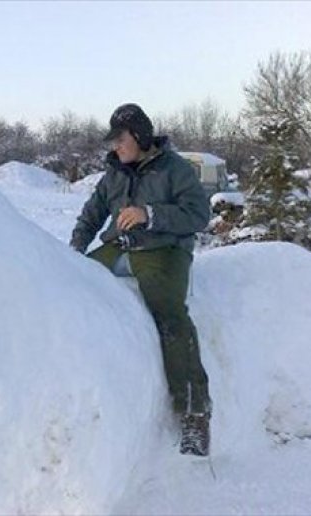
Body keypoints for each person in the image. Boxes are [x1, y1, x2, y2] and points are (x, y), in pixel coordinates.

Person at [70, 103, 212, 456]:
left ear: (140, 135)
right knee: (73, 286)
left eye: (120, 140)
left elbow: (198, 215)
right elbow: (92, 214)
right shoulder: (115, 172)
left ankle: (195, 413)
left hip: (164, 250)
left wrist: (150, 214)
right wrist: (72, 254)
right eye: (114, 141)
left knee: (170, 318)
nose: (115, 147)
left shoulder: (175, 169)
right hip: (119, 247)